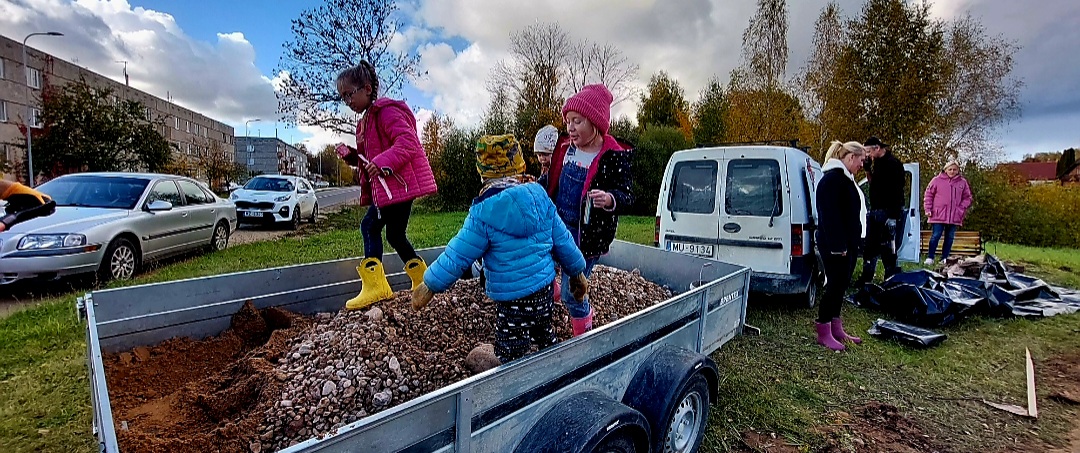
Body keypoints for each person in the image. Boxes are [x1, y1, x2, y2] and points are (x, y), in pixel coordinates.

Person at [411, 134, 589, 364]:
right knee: (544, 332)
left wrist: (430, 283)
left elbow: (457, 254)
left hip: (512, 299)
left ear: (483, 173)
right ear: (520, 165)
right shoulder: (541, 197)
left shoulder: (483, 213)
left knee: (511, 349)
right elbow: (564, 241)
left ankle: (513, 378)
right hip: (544, 290)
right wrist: (577, 272)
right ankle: (555, 366)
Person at [335, 61, 438, 311]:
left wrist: (381, 163)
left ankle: (376, 287)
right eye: (342, 97)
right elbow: (370, 160)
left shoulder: (386, 113)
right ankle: (423, 281)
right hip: (393, 188)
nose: (347, 101)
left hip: (396, 188)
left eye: (349, 94)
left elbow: (408, 143)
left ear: (367, 89)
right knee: (394, 235)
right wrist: (353, 157)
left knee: (370, 226)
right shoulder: (366, 122)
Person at [538, 84, 633, 336]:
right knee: (539, 263)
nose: (570, 127)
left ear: (595, 124)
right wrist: (535, 187)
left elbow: (627, 196)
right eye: (568, 121)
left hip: (588, 237)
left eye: (577, 121)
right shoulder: (565, 149)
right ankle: (552, 289)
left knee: (573, 293)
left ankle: (584, 327)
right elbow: (552, 181)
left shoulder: (613, 156)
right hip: (558, 226)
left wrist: (610, 199)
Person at [814, 141, 867, 351]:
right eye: (861, 160)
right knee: (834, 286)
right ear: (851, 157)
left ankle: (836, 328)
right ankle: (823, 331)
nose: (862, 165)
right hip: (835, 245)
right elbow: (829, 217)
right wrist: (838, 246)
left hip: (847, 244)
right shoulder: (831, 180)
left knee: (841, 286)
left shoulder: (845, 179)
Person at [857, 137, 906, 284]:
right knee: (870, 247)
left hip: (888, 210)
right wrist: (867, 169)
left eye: (868, 151)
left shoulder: (893, 164)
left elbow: (898, 191)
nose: (868, 155)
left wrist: (893, 215)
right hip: (876, 209)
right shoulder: (877, 163)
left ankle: (890, 278)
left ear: (877, 148)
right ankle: (867, 278)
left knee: (888, 248)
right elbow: (873, 185)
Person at [923, 161, 972, 265]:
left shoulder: (962, 182)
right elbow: (928, 195)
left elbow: (967, 197)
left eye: (954, 169)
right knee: (936, 236)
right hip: (938, 215)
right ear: (945, 170)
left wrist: (961, 208)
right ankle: (930, 257)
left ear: (958, 170)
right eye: (950, 169)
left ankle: (944, 258)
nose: (952, 171)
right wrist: (928, 209)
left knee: (949, 237)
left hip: (954, 215)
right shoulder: (936, 180)